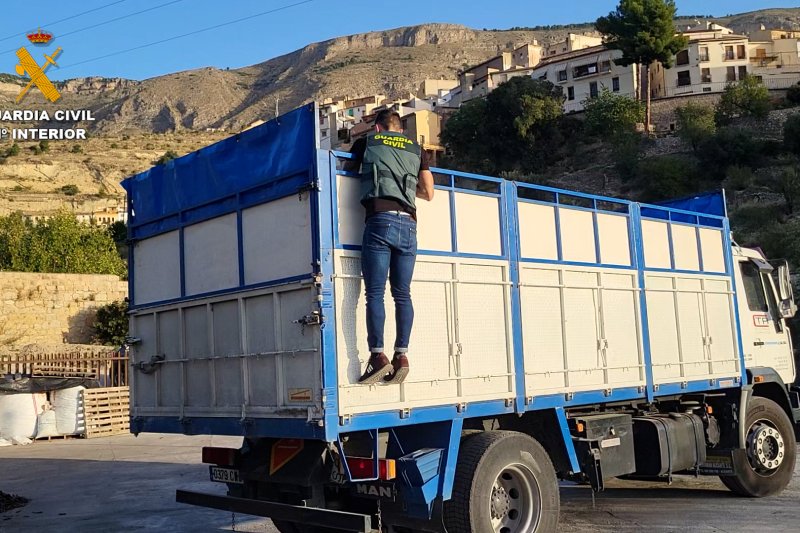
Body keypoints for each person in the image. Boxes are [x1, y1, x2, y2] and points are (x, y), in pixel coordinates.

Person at [345, 109, 434, 385]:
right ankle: (402, 356)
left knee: (374, 293)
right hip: (409, 225)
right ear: (399, 128)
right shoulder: (416, 149)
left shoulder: (367, 143)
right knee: (402, 294)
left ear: (379, 128)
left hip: (380, 221)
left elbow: (346, 175)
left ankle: (377, 357)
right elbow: (429, 193)